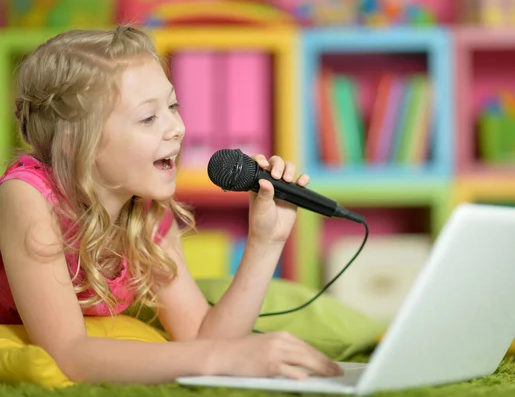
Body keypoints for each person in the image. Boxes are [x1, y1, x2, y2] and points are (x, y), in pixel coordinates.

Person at [0, 25, 343, 384]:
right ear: (72, 140)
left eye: (173, 106)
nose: (177, 128)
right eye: (148, 117)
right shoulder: (28, 195)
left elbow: (203, 338)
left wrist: (266, 241)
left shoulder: (145, 210)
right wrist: (216, 356)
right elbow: (68, 353)